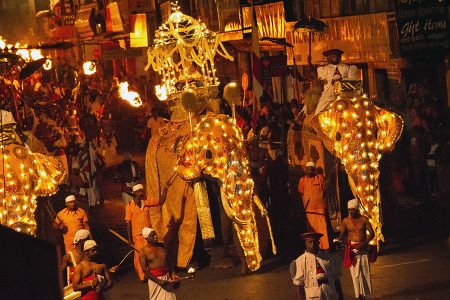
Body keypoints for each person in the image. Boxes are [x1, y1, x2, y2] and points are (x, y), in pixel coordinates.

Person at [338, 199, 375, 300]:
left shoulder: (364, 219)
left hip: (363, 248)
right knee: (355, 274)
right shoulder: (345, 221)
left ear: (357, 209)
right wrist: (341, 240)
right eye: (349, 210)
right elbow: (342, 235)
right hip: (352, 249)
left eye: (352, 210)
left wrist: (364, 243)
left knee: (364, 272)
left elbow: (372, 234)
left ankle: (364, 295)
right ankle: (358, 295)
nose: (350, 212)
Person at [290, 232, 338, 300]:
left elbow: (336, 279)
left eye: (315, 241)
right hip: (312, 296)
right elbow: (299, 285)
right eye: (310, 242)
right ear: (305, 243)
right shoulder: (300, 261)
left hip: (330, 293)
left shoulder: (327, 257)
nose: (312, 244)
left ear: (318, 243)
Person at [140, 227, 179, 300]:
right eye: (152, 236)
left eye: (155, 235)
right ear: (147, 238)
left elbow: (168, 261)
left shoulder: (162, 246)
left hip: (167, 277)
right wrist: (158, 281)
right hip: (155, 280)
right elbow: (145, 270)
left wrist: (173, 273)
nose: (155, 237)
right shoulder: (143, 252)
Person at [315, 49, 357, 115]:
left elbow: (352, 81)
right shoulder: (323, 69)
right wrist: (323, 81)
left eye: (337, 56)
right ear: (328, 57)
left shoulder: (347, 67)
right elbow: (322, 81)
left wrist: (342, 82)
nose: (336, 58)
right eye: (333, 56)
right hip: (329, 94)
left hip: (344, 93)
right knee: (319, 111)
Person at [298, 162, 329, 250]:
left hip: (319, 208)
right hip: (309, 209)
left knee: (322, 228)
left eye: (311, 169)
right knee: (311, 229)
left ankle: (324, 247)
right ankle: (313, 247)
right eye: (308, 169)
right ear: (306, 170)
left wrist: (324, 203)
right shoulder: (302, 180)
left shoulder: (319, 178)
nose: (309, 171)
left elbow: (324, 191)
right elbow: (301, 193)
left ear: (314, 170)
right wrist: (304, 204)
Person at [125, 183, 152, 281]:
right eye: (139, 192)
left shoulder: (146, 201)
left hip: (148, 234)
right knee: (139, 255)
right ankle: (142, 276)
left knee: (149, 253)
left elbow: (160, 201)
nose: (141, 193)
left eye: (142, 191)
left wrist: (166, 188)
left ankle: (150, 273)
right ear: (134, 193)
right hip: (137, 235)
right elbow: (128, 223)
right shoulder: (129, 206)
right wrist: (129, 239)